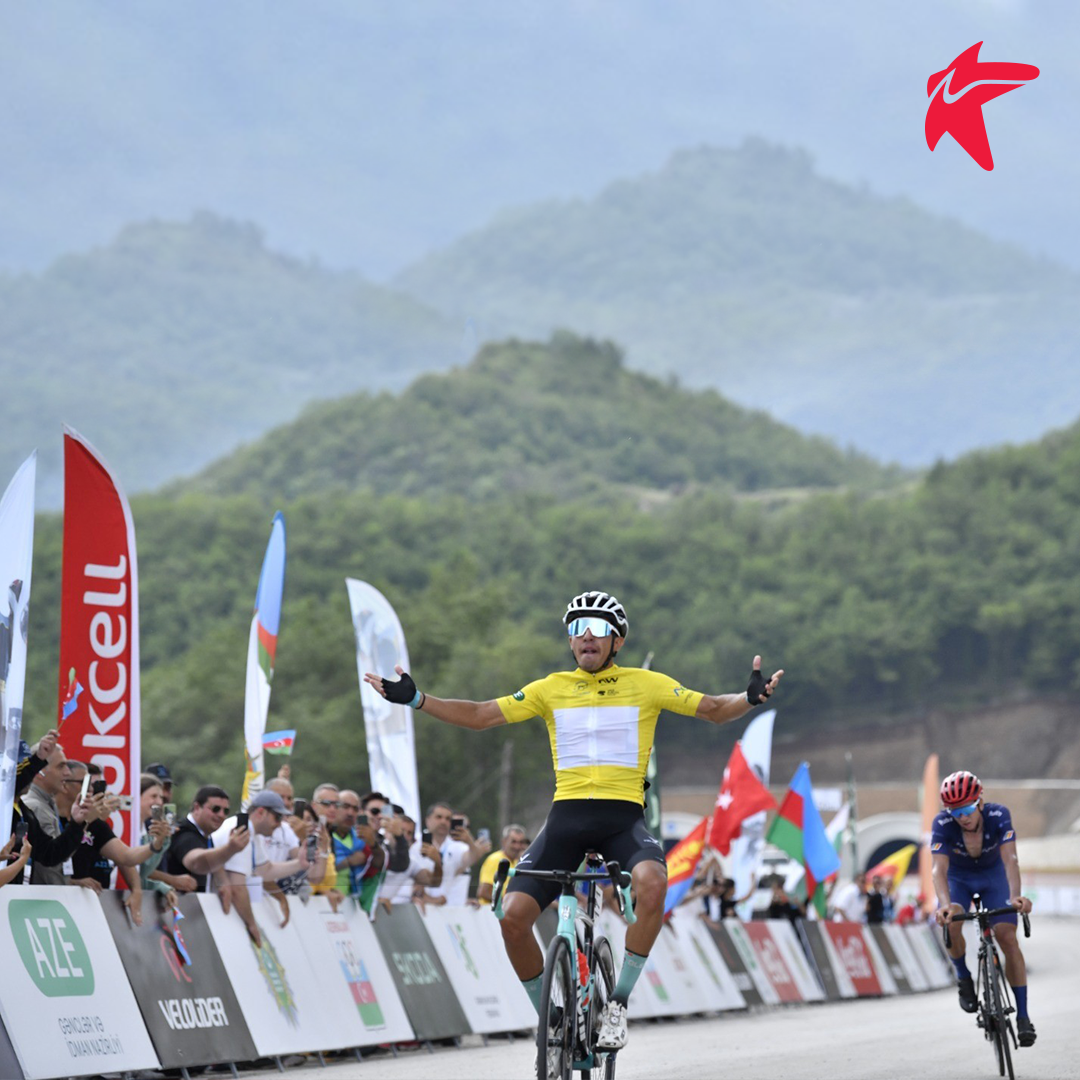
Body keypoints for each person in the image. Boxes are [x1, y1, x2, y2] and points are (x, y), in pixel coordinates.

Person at [365, 588, 782, 1050]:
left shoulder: (646, 684)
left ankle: (618, 1005)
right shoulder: (550, 688)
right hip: (565, 821)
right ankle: (552, 1016)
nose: (587, 635)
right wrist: (417, 699)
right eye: (577, 628)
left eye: (599, 628)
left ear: (617, 641)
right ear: (569, 640)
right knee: (512, 918)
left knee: (653, 884)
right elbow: (481, 715)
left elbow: (714, 710)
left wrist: (749, 698)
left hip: (623, 821)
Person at [932, 770, 1035, 1047]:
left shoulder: (998, 815)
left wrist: (1015, 896)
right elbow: (938, 869)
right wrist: (944, 905)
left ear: (979, 801)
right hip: (959, 879)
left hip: (993, 877)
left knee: (1008, 938)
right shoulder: (943, 823)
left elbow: (1010, 859)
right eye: (955, 811)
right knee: (952, 922)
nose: (962, 817)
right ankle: (963, 976)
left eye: (967, 809)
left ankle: (1023, 1016)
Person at [211, 789, 307, 945]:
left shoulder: (253, 833)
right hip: (215, 907)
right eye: (277, 817)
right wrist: (252, 924)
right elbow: (237, 888)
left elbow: (265, 871)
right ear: (261, 812)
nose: (280, 824)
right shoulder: (242, 831)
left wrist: (299, 864)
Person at [164, 784, 250, 892]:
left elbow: (210, 858)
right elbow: (196, 863)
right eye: (215, 809)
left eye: (226, 811)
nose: (221, 815)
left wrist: (222, 881)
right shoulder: (184, 833)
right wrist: (230, 848)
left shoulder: (204, 834)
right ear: (197, 808)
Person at [377, 815, 443, 906]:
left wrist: (437, 863)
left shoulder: (411, 863)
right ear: (387, 832)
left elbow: (434, 883)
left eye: (409, 833)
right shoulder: (378, 852)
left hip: (389, 910)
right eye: (401, 830)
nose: (404, 836)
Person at [477, 824, 530, 905]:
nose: (517, 846)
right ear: (504, 841)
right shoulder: (496, 859)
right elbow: (484, 892)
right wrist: (508, 903)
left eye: (521, 842)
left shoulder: (517, 861)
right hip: (490, 910)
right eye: (513, 842)